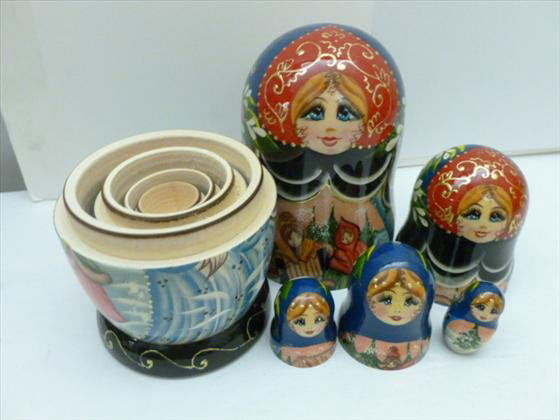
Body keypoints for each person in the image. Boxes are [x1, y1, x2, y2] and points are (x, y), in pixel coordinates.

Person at [270, 277, 337, 368]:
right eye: (300, 321)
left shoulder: (326, 344)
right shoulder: (286, 350)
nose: (310, 327)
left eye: (318, 319)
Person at [443, 281, 505, 354]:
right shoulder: (456, 318)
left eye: (493, 311)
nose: (485, 314)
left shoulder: (490, 328)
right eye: (481, 307)